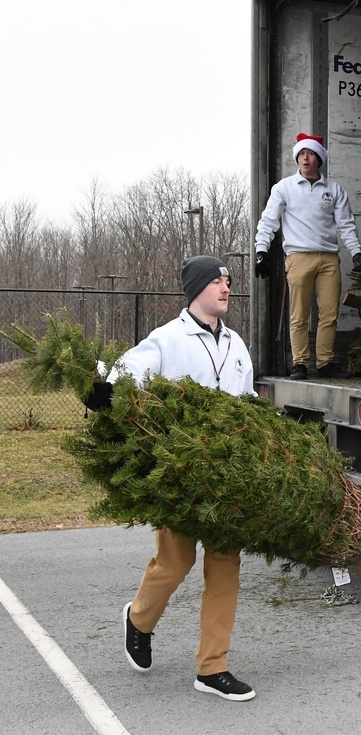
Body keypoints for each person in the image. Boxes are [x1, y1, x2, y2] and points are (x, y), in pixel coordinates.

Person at [85, 256, 257, 702]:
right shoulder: (167, 340)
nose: (226, 287)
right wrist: (104, 391)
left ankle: (212, 667)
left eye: (228, 281)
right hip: (182, 478)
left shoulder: (237, 344)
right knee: (175, 564)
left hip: (226, 477)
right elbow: (126, 373)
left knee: (225, 568)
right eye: (218, 281)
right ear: (197, 288)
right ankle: (138, 619)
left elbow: (248, 395)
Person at [253, 132, 361, 380]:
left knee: (329, 313)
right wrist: (261, 250)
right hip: (298, 256)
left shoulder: (334, 189)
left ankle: (325, 363)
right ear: (297, 158)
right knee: (300, 313)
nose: (305, 158)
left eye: (311, 154)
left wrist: (356, 252)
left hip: (328, 259)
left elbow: (346, 224)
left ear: (319, 159)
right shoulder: (284, 188)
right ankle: (300, 363)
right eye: (301, 154)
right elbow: (269, 221)